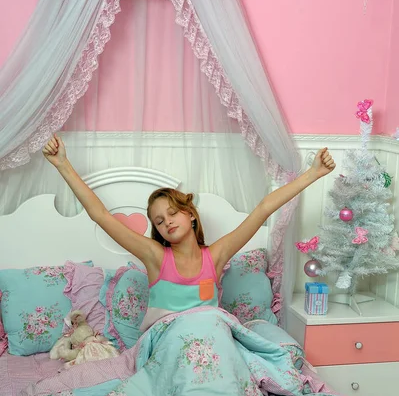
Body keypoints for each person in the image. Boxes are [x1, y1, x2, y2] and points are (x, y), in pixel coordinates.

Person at [43, 135, 335, 329]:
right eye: (159, 221)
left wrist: (313, 173)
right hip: (168, 342)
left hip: (208, 340)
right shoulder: (155, 256)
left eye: (172, 213)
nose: (167, 222)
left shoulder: (216, 256)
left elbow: (262, 209)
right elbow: (101, 215)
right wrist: (62, 164)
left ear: (191, 216)